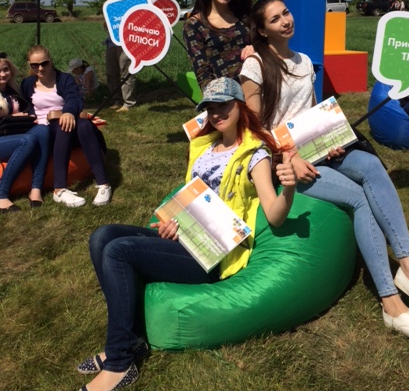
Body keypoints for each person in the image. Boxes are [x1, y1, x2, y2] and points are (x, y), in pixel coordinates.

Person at [240, 0, 409, 342]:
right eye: (275, 19)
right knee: (359, 198)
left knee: (371, 165)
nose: (286, 21)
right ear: (262, 31)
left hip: (317, 150)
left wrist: (328, 138)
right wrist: (290, 156)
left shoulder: (303, 61)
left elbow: (309, 113)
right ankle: (391, 303)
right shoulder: (255, 65)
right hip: (284, 162)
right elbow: (254, 127)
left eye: (286, 13)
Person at [76, 77, 296, 391]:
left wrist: (288, 188)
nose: (217, 113)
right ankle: (131, 341)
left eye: (223, 105)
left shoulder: (254, 154)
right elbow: (191, 196)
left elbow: (274, 214)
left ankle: (119, 361)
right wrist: (173, 222)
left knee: (118, 251)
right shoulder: (205, 145)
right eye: (210, 107)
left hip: (214, 250)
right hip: (186, 235)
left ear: (239, 105)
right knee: (102, 236)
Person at [22, 45, 112, 207]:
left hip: (68, 122)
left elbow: (74, 98)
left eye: (44, 63)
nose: (40, 68)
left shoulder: (64, 79)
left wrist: (69, 112)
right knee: (64, 125)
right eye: (35, 65)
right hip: (46, 129)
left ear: (50, 61)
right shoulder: (27, 84)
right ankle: (59, 189)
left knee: (84, 125)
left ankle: (103, 184)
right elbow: (24, 105)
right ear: (30, 65)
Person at [183, 0, 252, 90]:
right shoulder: (194, 25)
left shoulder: (247, 16)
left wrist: (258, 50)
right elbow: (203, 74)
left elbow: (270, 48)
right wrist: (221, 98)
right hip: (225, 96)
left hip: (260, 89)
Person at [0, 53, 50, 211]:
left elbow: (27, 108)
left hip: (13, 134)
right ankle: (1, 195)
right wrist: (11, 117)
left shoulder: (12, 90)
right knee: (27, 141)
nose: (3, 74)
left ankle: (36, 188)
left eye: (5, 69)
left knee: (43, 130)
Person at [105, 0, 136, 111]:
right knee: (111, 73)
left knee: (126, 71)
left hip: (126, 43)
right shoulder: (112, 0)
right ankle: (116, 99)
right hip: (112, 41)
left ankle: (128, 102)